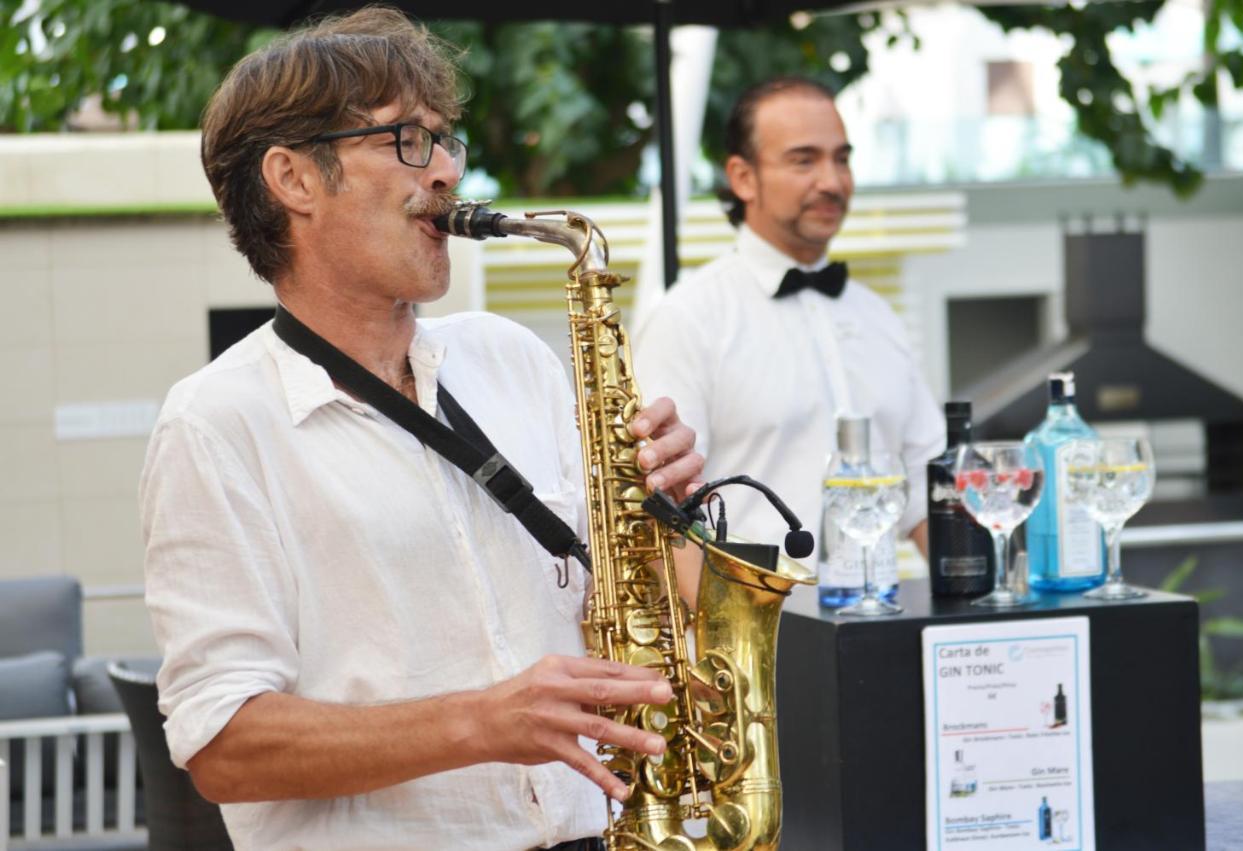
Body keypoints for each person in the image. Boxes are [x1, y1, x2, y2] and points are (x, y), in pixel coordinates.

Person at [139, 9, 703, 850]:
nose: (445, 171)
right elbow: (224, 745)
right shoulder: (216, 421)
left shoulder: (514, 358)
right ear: (293, 178)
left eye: (447, 140)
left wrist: (668, 513)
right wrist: (483, 720)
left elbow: (627, 614)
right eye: (406, 139)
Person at [633, 77, 944, 561]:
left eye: (842, 158)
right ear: (743, 178)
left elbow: (927, 489)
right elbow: (662, 509)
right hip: (751, 629)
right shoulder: (687, 317)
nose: (832, 181)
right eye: (804, 160)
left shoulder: (877, 314)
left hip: (880, 622)